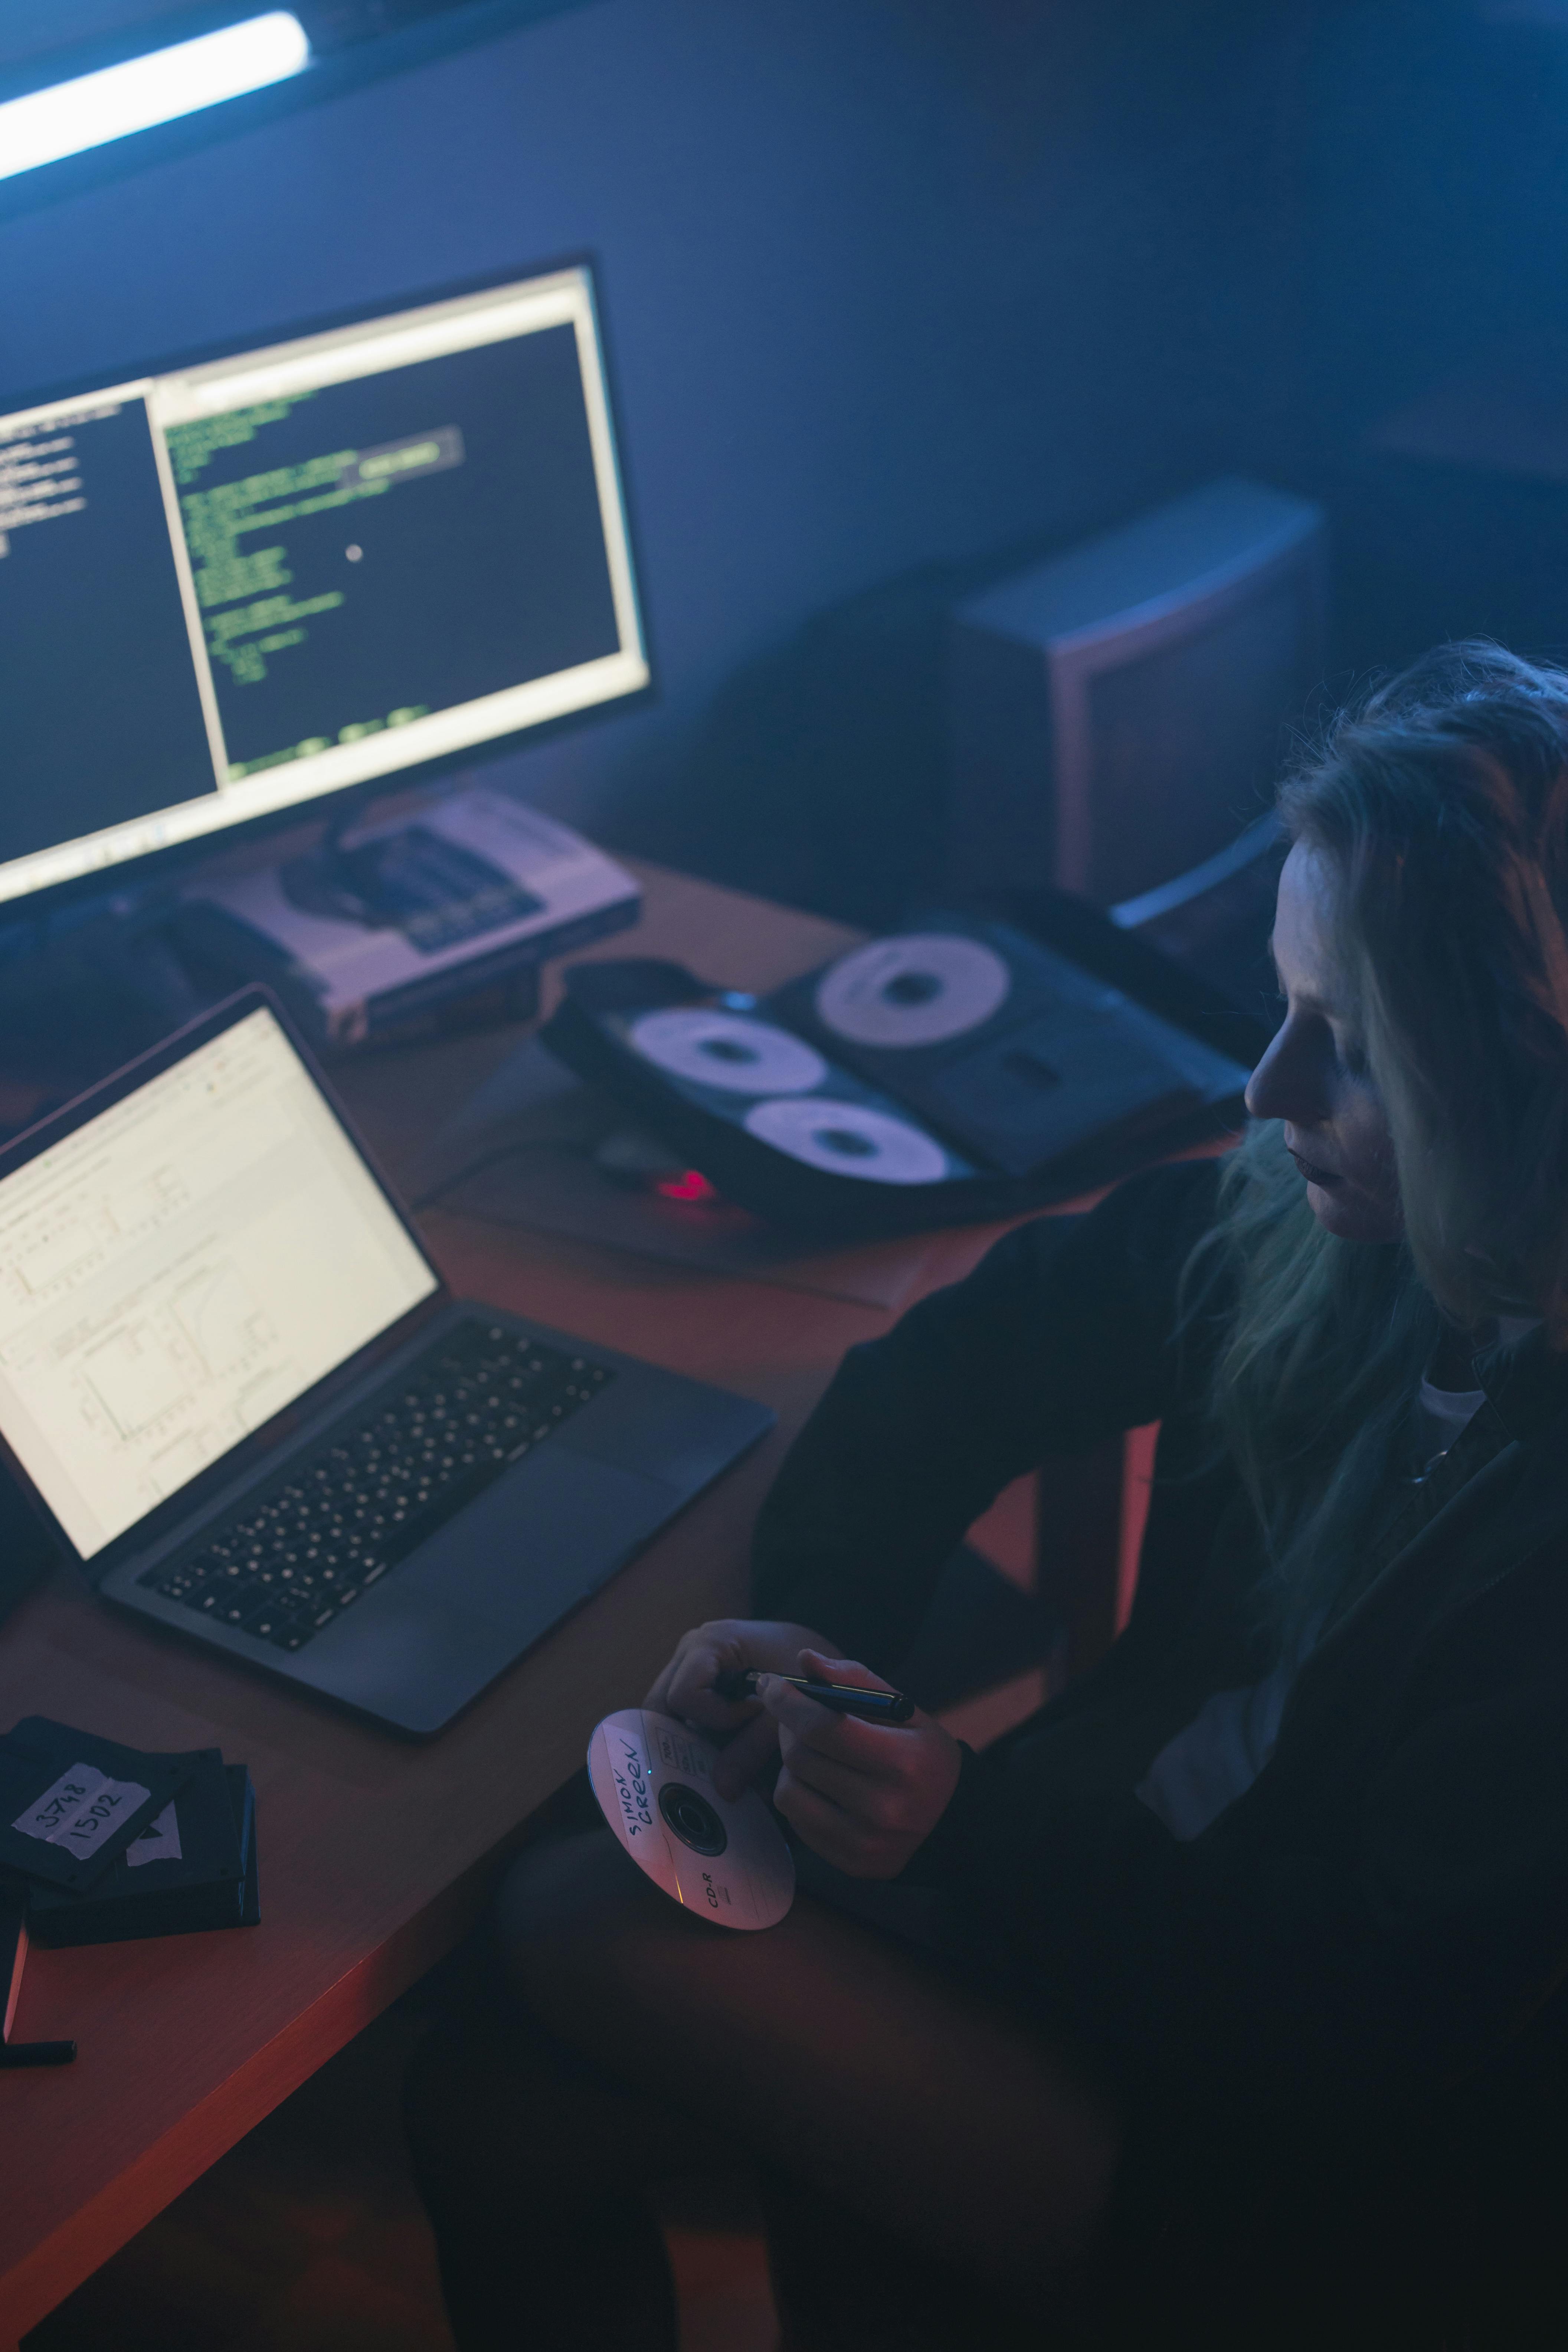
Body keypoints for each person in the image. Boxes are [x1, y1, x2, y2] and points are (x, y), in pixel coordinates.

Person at [405, 642, 1568, 2349]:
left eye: (1348, 1048)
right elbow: (948, 1373)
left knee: (576, 1922)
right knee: (489, 2097)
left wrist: (965, 1823)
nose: (1264, 1092)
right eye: (1284, 1008)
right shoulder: (1344, 1230)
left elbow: (1356, 2021)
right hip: (1126, 1893)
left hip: (1320, 2165)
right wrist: (819, 1644)